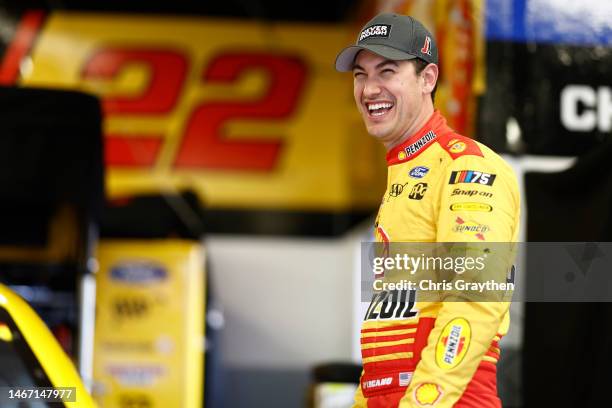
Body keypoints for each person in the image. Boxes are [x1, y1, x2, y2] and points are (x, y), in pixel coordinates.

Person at [335, 13, 520, 407]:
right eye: (360, 75)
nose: (370, 89)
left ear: (428, 78)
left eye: (387, 71)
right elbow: (389, 332)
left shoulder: (466, 167)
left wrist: (423, 401)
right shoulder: (401, 177)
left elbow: (474, 300)